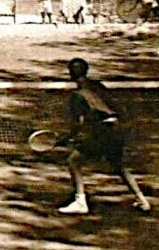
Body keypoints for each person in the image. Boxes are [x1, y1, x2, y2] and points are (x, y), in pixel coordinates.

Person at [58, 58, 151, 215]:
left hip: (103, 132)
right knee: (118, 165)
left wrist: (67, 138)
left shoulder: (77, 95)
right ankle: (142, 200)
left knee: (73, 161)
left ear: (70, 74)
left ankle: (80, 202)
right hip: (117, 129)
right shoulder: (98, 86)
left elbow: (78, 123)